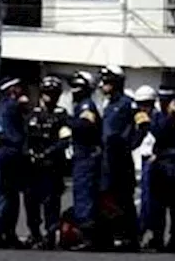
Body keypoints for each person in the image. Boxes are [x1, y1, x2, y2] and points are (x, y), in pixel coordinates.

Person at [143, 90, 175, 254]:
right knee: (157, 207)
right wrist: (170, 117)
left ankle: (174, 241)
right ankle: (157, 238)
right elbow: (159, 134)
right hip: (161, 166)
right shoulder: (158, 118)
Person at [24, 75, 70, 249]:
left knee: (51, 203)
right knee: (31, 202)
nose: (50, 96)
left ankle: (50, 235)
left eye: (54, 93)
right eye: (47, 93)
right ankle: (34, 234)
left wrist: (48, 153)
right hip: (32, 166)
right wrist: (29, 152)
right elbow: (25, 137)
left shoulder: (62, 116)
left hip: (52, 166)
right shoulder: (32, 114)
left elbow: (65, 139)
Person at [99, 65, 138, 250]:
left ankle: (129, 237)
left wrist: (129, 143)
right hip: (107, 158)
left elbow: (142, 126)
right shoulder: (108, 105)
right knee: (107, 197)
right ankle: (112, 234)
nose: (103, 85)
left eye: (107, 81)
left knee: (124, 199)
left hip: (121, 159)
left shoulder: (128, 104)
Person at [0, 77, 29, 248]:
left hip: (1, 153)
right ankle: (4, 231)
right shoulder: (13, 106)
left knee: (1, 194)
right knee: (9, 195)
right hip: (11, 152)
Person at [67, 71, 103, 251]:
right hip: (81, 156)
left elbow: (86, 126)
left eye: (78, 87)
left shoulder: (86, 106)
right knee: (81, 194)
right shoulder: (80, 106)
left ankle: (88, 237)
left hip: (87, 157)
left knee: (85, 196)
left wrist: (67, 122)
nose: (74, 91)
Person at [130, 85, 158, 239]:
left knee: (152, 201)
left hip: (154, 161)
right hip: (139, 159)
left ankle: (147, 231)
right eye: (140, 104)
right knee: (143, 199)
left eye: (147, 104)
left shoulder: (159, 119)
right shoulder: (136, 119)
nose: (143, 107)